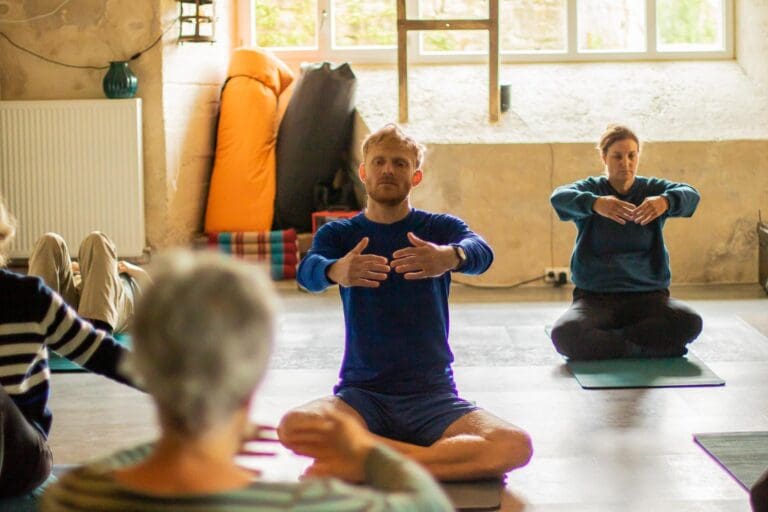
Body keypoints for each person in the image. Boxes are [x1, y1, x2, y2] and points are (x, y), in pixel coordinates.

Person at [40, 250, 454, 512]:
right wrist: (366, 453)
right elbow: (429, 503)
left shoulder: (76, 496)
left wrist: (186, 443)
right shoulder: (307, 504)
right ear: (256, 371)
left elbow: (117, 471)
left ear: (143, 361)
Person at [279, 123, 533, 482]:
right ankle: (431, 462)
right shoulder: (340, 233)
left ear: (415, 177)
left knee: (513, 445)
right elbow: (307, 271)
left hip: (433, 396)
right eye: (379, 162)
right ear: (364, 173)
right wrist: (337, 269)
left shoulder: (439, 228)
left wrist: (450, 256)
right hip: (362, 396)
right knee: (295, 426)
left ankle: (372, 461)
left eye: (399, 164)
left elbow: (482, 251)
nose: (388, 170)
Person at [0, 197, 133, 498]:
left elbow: (102, 353)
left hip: (22, 457)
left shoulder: (27, 297)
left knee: (97, 242)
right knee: (51, 243)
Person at [549, 124, 703, 360]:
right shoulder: (592, 190)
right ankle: (642, 346)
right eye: (617, 156)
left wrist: (666, 201)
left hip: (648, 297)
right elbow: (559, 197)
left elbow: (691, 194)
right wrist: (595, 204)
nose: (626, 163)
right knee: (565, 334)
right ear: (604, 157)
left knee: (689, 321)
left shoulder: (651, 190)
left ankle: (612, 342)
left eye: (632, 155)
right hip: (596, 299)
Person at [27, 232, 149, 334]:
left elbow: (158, 294)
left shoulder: (131, 284)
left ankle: (96, 332)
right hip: (74, 302)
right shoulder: (90, 268)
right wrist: (76, 268)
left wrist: (135, 270)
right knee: (49, 240)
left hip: (106, 307)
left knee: (98, 239)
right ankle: (37, 326)